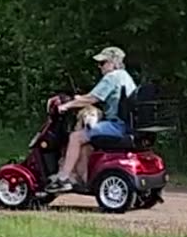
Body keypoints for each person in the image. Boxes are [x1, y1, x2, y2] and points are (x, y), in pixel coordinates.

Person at [46, 46, 137, 192]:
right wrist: (81, 99)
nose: (99, 66)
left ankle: (63, 178)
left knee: (75, 137)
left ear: (113, 63)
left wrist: (66, 106)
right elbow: (95, 97)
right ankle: (82, 177)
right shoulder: (124, 76)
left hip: (118, 126)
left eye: (103, 63)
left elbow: (93, 98)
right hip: (127, 125)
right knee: (85, 139)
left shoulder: (112, 77)